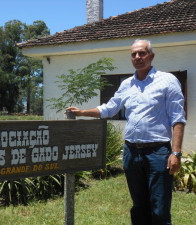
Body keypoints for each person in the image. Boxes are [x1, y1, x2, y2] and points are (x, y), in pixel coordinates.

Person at [67, 39, 186, 225]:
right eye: (134, 54)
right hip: (131, 153)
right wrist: (82, 112)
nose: (137, 57)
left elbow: (178, 118)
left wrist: (176, 153)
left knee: (160, 208)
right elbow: (109, 109)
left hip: (158, 153)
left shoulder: (167, 81)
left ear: (151, 56)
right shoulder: (127, 85)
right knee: (139, 207)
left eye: (142, 53)